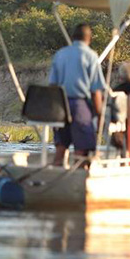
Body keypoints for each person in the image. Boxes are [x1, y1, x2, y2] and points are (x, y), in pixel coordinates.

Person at [48, 23, 104, 166]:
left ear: (73, 37)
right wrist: (99, 114)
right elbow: (95, 90)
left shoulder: (60, 54)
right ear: (89, 38)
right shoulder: (91, 56)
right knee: (82, 147)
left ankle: (56, 169)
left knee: (61, 144)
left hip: (60, 103)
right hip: (80, 104)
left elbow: (52, 85)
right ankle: (79, 171)